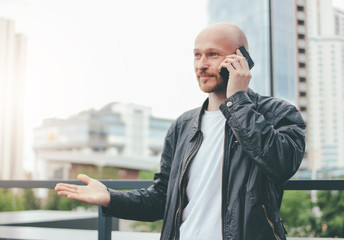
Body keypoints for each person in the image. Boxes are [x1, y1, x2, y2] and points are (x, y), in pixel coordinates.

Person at [55, 22, 306, 240]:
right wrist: (111, 197)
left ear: (241, 59)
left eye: (212, 54)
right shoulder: (183, 126)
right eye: (197, 55)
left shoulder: (278, 113)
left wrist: (238, 99)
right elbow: (161, 199)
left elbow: (281, 164)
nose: (202, 65)